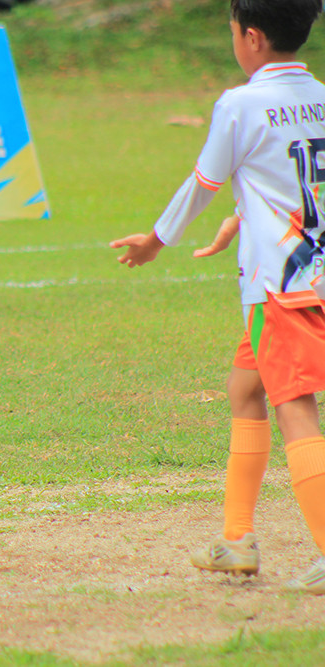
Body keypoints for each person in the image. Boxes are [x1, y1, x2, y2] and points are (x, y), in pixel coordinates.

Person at [110, 0, 325, 593]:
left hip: (280, 286)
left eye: (232, 30)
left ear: (251, 37)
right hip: (314, 272)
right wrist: (245, 215)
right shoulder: (322, 96)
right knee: (245, 388)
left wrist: (156, 240)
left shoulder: (241, 102)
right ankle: (237, 542)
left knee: (295, 406)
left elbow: (203, 181)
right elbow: (297, 179)